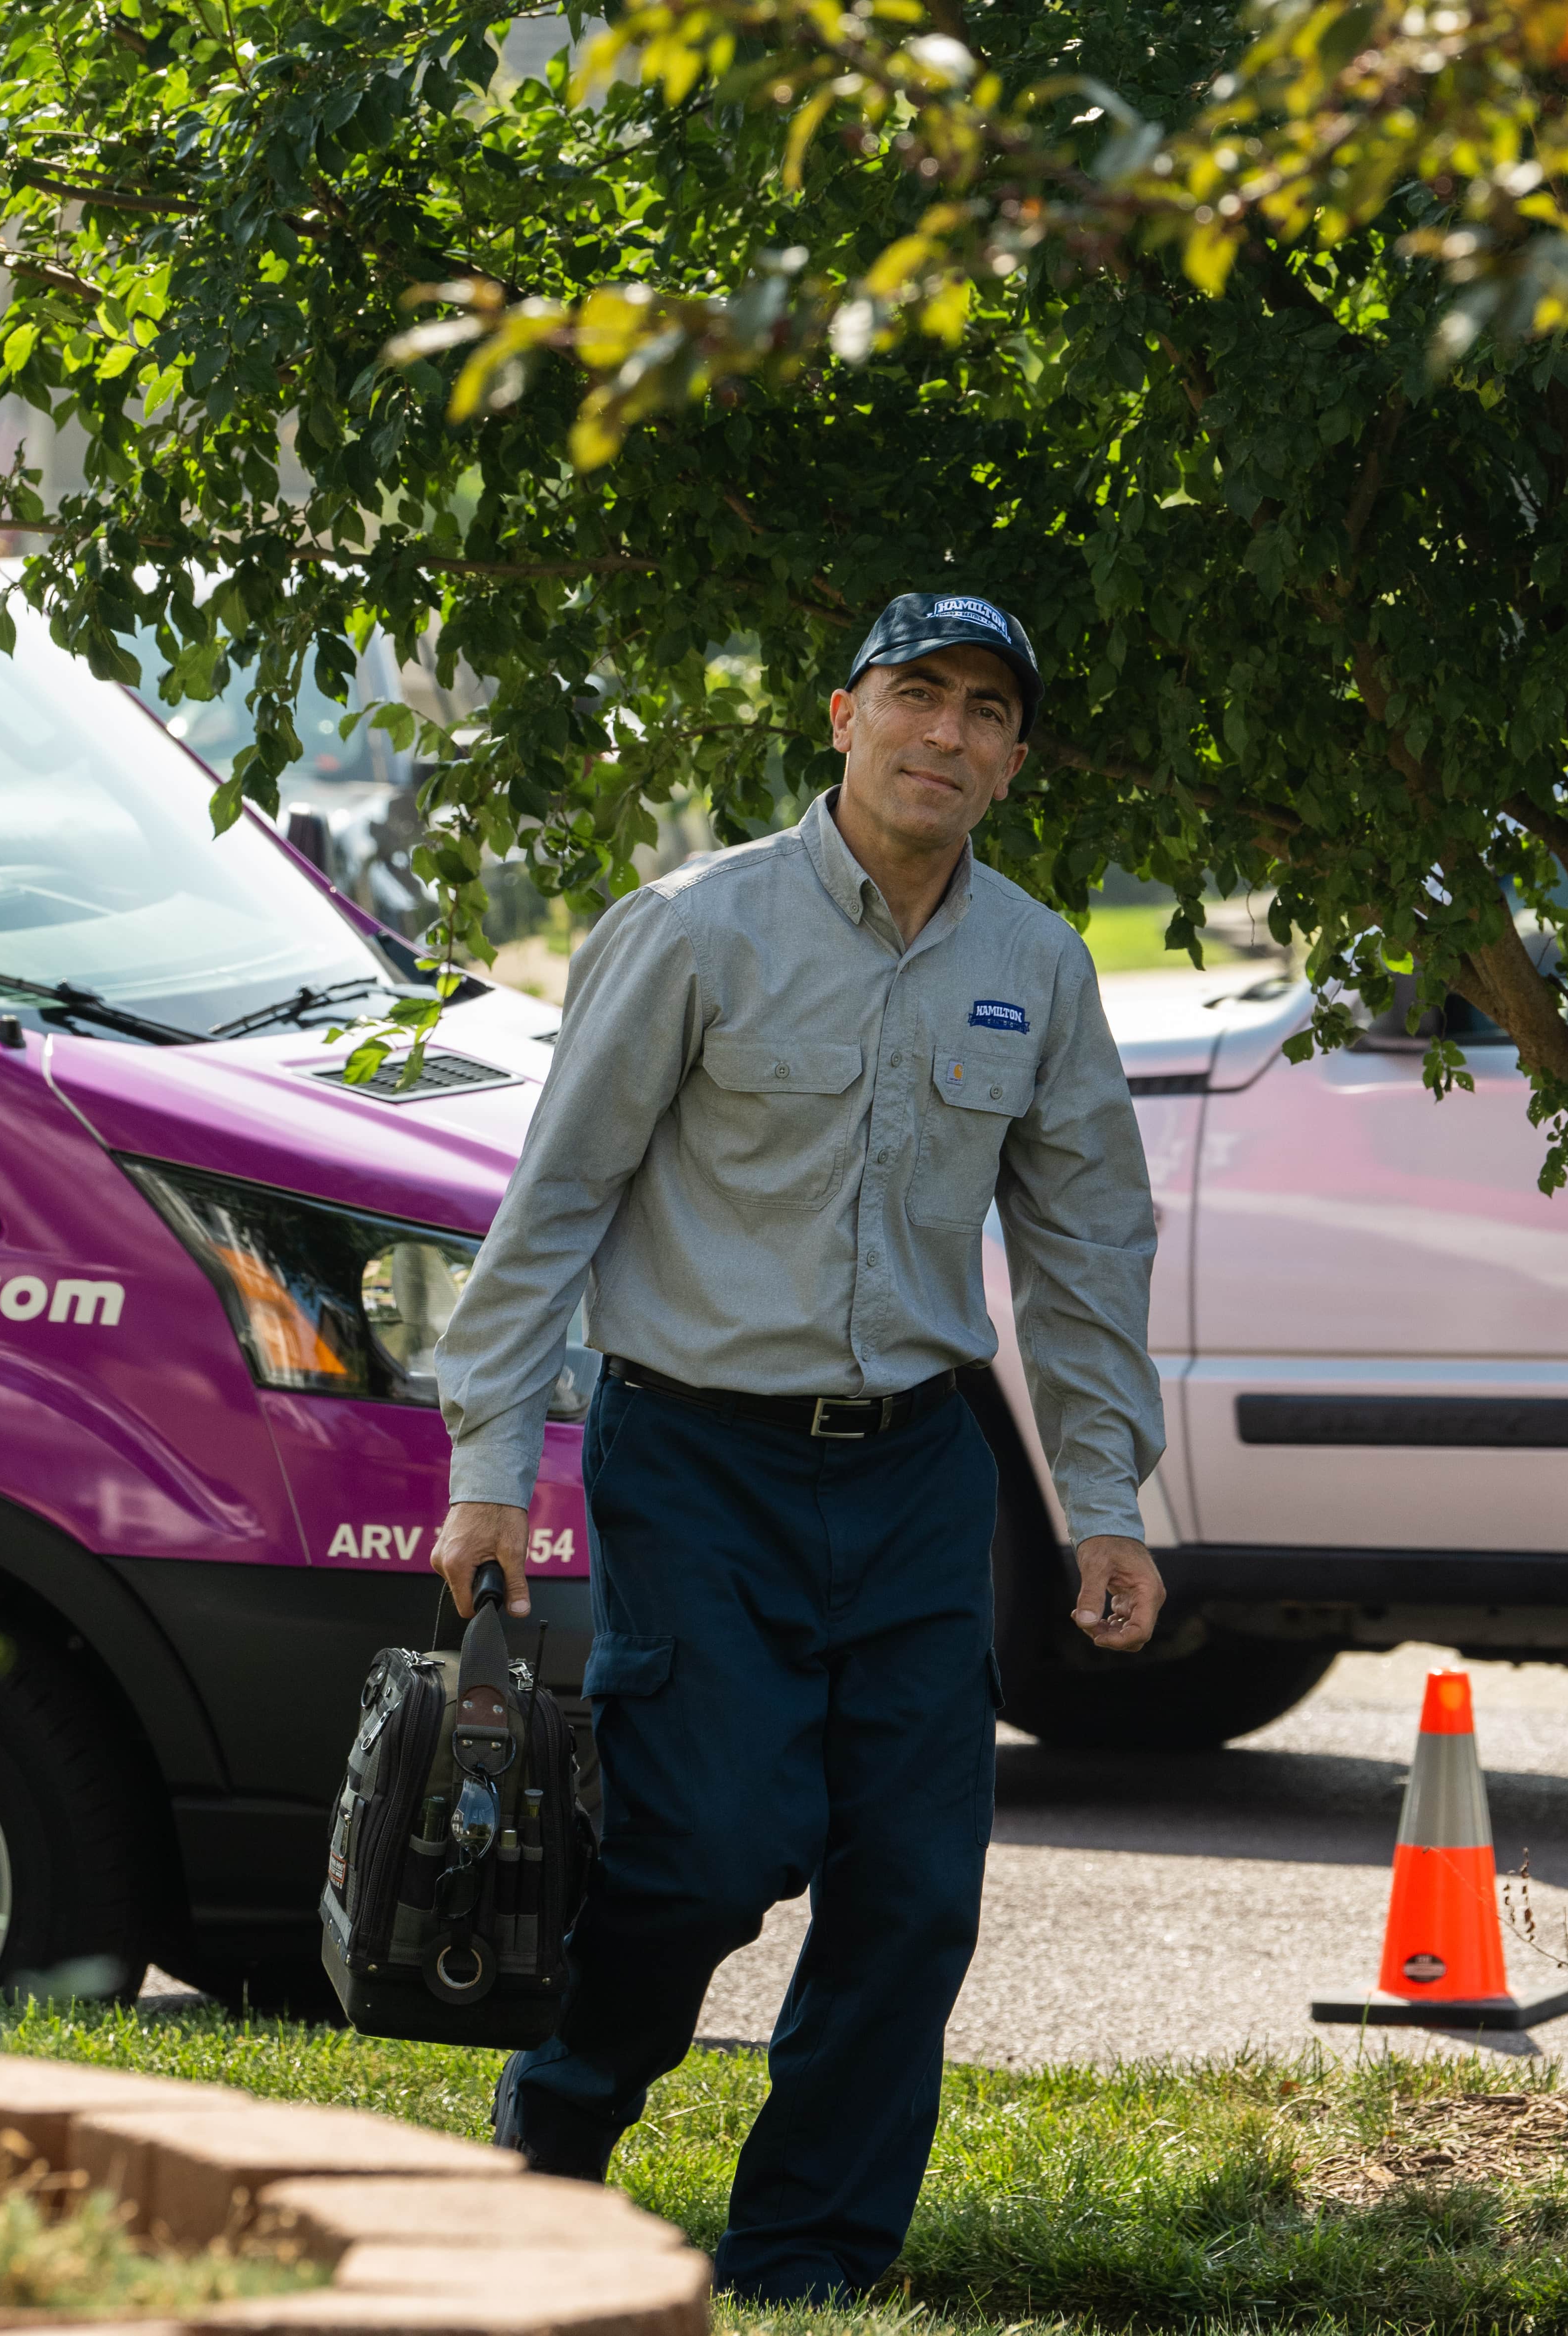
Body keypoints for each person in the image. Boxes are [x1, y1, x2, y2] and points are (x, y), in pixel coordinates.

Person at [426, 590, 1168, 2302]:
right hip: (696, 1459)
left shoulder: (1038, 967)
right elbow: (555, 1203)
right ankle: (559, 2127)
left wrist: (1107, 1499)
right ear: (841, 716)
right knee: (698, 1853)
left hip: (919, 1477)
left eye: (989, 711)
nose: (949, 735)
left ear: (1015, 757)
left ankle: (808, 2259)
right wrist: (487, 1464)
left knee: (913, 1892)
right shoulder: (696, 929)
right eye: (919, 695)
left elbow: (1083, 1251)